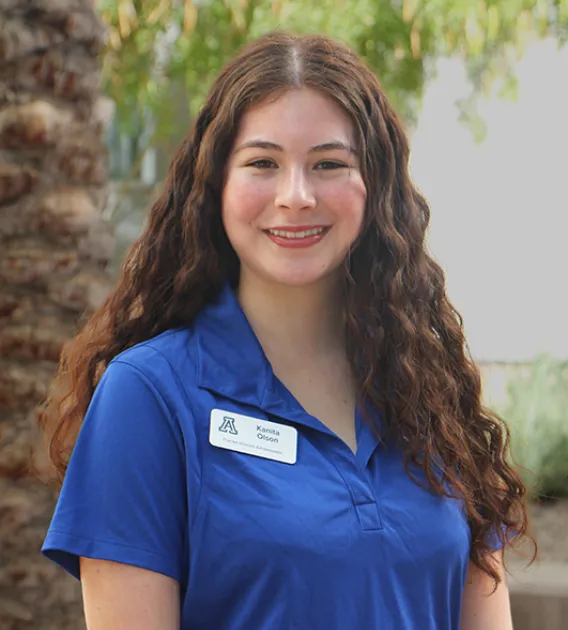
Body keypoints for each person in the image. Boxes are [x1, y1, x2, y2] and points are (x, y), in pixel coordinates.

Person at [40, 31, 533, 630]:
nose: (296, 196)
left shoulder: (431, 391)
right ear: (215, 186)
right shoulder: (149, 397)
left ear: (374, 187)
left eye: (329, 164)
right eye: (262, 163)